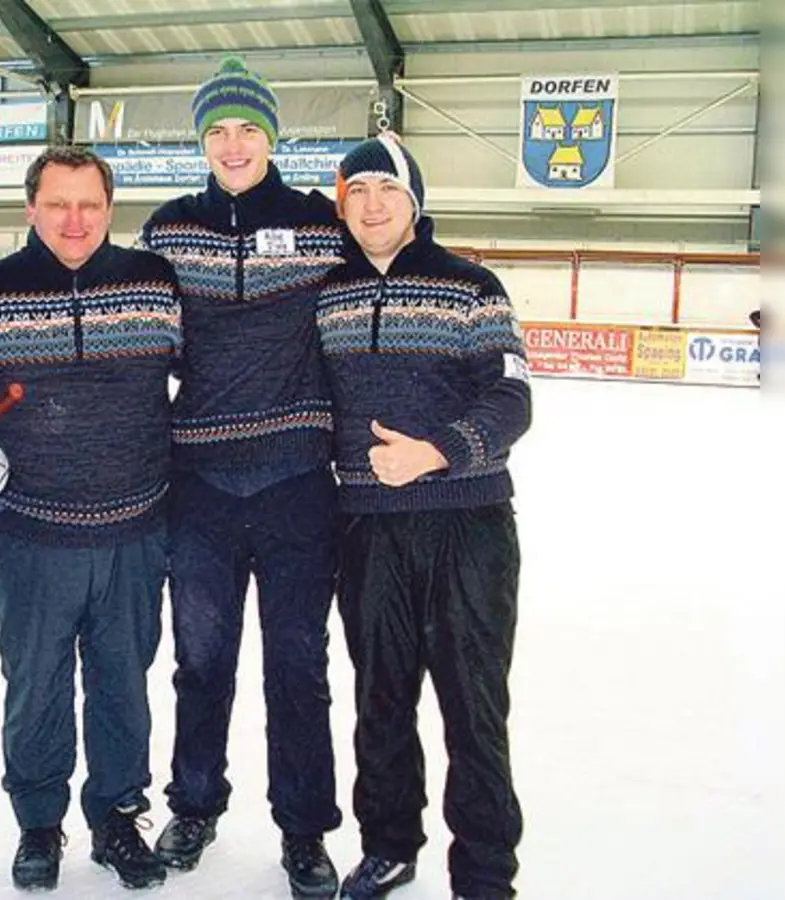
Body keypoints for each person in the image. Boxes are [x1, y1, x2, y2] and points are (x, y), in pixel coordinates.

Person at [0, 145, 183, 892]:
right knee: (35, 684)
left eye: (89, 205)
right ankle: (39, 825)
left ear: (110, 210)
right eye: (57, 204)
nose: (74, 221)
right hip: (32, 536)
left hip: (136, 529)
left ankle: (115, 819)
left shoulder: (154, 282)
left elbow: (203, 378)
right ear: (31, 209)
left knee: (122, 684)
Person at [137, 55, 345, 898]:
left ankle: (304, 829)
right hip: (203, 486)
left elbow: (382, 269)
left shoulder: (319, 223)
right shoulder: (169, 227)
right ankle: (194, 802)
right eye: (217, 130)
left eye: (247, 128)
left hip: (298, 479)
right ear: (201, 142)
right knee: (201, 659)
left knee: (299, 665)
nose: (232, 144)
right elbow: (147, 343)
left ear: (271, 137)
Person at [317, 133, 530, 900]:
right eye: (357, 193)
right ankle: (388, 844)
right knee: (380, 696)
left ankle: (483, 870)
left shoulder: (471, 286)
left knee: (472, 703)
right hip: (367, 528)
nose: (372, 206)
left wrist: (435, 452)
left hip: (466, 524)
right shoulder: (327, 293)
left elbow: (512, 399)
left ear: (415, 202)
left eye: (388, 190)